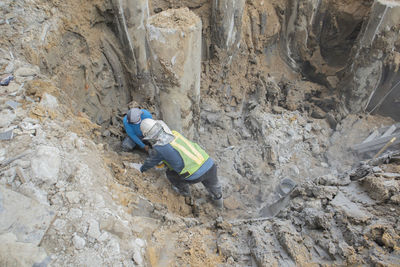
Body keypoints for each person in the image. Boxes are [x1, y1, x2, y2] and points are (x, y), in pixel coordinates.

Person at [138, 118, 223, 208]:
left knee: (170, 174)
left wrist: (141, 169)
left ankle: (185, 192)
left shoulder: (159, 149)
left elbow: (150, 162)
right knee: (214, 185)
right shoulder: (175, 134)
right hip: (209, 164)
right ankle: (219, 203)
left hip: (194, 175)